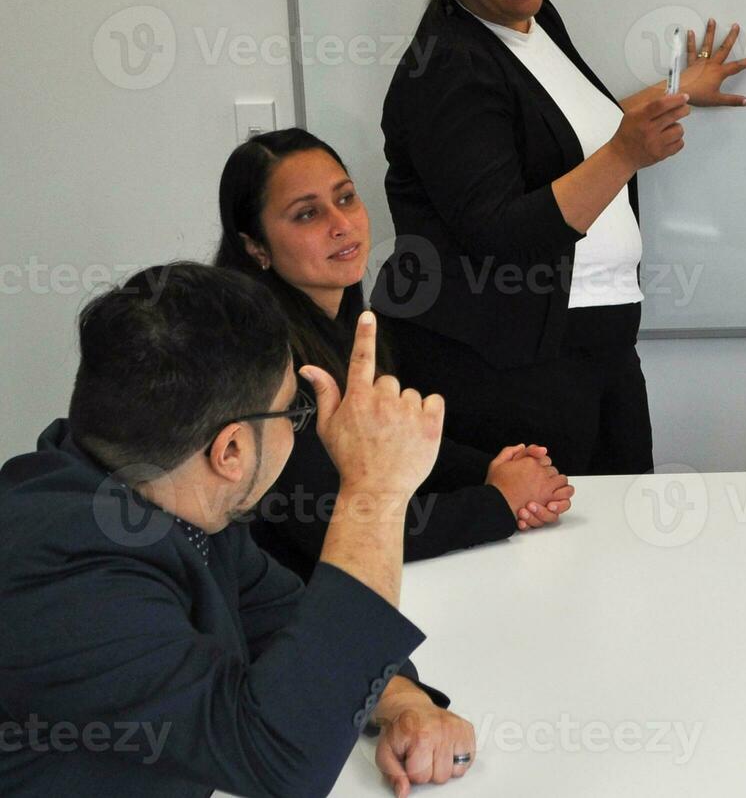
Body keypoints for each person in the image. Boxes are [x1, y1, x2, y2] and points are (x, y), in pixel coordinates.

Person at [0, 263, 479, 797]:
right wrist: (374, 490)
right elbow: (281, 759)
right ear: (230, 450)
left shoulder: (170, 499)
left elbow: (278, 621)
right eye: (289, 412)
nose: (299, 428)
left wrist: (402, 703)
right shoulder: (64, 575)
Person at [374, 0, 746, 475]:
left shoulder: (532, 20)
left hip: (594, 337)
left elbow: (567, 131)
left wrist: (678, 90)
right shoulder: (448, 67)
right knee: (550, 548)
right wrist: (627, 155)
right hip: (508, 360)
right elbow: (500, 234)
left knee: (619, 540)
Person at [216, 128, 574, 580]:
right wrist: (499, 500)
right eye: (307, 214)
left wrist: (498, 470)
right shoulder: (261, 356)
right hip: (292, 617)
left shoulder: (347, 325)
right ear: (255, 247)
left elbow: (390, 449)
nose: (340, 223)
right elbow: (337, 528)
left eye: (345, 198)